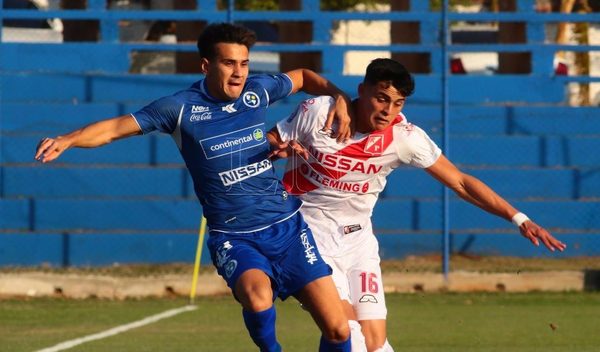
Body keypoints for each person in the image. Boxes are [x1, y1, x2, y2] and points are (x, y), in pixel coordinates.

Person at [35, 22, 355, 352]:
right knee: (259, 299)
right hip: (235, 237)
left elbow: (302, 76)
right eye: (229, 63)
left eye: (244, 63)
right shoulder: (179, 108)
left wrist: (338, 96)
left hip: (287, 228)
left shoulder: (257, 91)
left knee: (338, 330)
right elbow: (115, 128)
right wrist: (68, 139)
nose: (239, 73)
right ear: (206, 65)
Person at [267, 58, 567, 352]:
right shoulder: (319, 112)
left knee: (374, 343)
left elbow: (460, 182)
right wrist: (276, 150)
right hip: (307, 236)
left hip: (358, 242)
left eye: (398, 103)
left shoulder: (405, 137)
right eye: (381, 99)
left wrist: (519, 218)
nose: (388, 111)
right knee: (348, 333)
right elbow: (265, 144)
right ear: (362, 90)